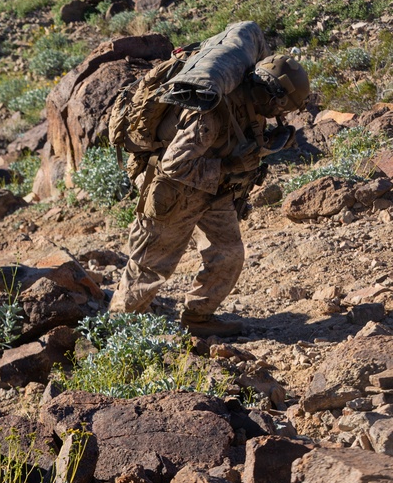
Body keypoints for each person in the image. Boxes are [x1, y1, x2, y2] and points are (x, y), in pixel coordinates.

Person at [109, 21, 310, 337]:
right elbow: (174, 165)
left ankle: (198, 318)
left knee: (228, 254)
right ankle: (120, 333)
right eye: (281, 107)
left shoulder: (251, 102)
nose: (278, 113)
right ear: (275, 97)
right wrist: (230, 168)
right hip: (175, 194)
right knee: (150, 268)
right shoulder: (211, 114)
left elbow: (236, 145)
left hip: (213, 193)